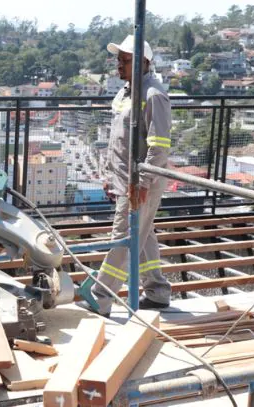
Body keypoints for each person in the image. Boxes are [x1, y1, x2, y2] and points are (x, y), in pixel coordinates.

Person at [84, 35, 172, 318]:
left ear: (143, 62)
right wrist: (110, 176)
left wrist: (143, 182)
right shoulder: (125, 93)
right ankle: (157, 292)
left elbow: (159, 145)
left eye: (125, 60)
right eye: (118, 59)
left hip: (139, 182)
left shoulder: (153, 95)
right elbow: (118, 141)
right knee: (143, 234)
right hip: (124, 179)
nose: (119, 64)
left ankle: (101, 297)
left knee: (122, 238)